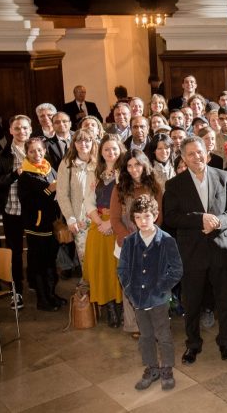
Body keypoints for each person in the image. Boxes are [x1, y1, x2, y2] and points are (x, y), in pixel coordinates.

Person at [163, 136, 227, 365]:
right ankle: (193, 344)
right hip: (192, 252)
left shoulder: (224, 177)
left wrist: (218, 222)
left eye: (199, 152)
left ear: (207, 153)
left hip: (221, 249)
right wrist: (200, 219)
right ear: (183, 158)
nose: (196, 157)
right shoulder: (174, 184)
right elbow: (170, 218)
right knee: (192, 301)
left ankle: (226, 341)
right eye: (191, 154)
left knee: (225, 300)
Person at [118, 195, 183, 391]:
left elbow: (177, 269)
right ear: (133, 219)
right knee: (145, 335)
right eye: (138, 217)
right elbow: (122, 270)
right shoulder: (129, 242)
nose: (142, 221)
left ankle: (167, 369)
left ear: (155, 216)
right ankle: (152, 368)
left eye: (146, 216)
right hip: (138, 299)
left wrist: (162, 288)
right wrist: (130, 290)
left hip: (159, 299)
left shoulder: (166, 241)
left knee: (163, 334)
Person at [111, 149, 164, 338]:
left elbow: (159, 217)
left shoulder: (155, 187)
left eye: (137, 164)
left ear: (144, 165)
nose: (134, 169)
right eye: (130, 165)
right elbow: (115, 219)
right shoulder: (119, 188)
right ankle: (134, 325)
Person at [83, 134, 126, 326]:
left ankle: (121, 306)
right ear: (101, 152)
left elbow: (128, 200)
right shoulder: (94, 172)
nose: (111, 152)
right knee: (102, 269)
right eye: (106, 149)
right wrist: (100, 222)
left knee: (118, 267)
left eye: (114, 148)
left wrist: (112, 222)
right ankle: (110, 308)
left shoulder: (126, 171)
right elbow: (88, 201)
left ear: (120, 150)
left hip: (120, 224)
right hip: (98, 226)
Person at [18, 137, 62, 311]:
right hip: (36, 226)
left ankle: (51, 294)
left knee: (50, 261)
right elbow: (28, 202)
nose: (36, 154)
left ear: (44, 150)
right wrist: (49, 190)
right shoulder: (25, 175)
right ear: (26, 153)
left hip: (51, 223)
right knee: (39, 263)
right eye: (32, 151)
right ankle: (42, 299)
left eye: (39, 150)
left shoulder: (49, 168)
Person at [0, 115, 33, 309]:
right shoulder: (3, 155)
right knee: (15, 252)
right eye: (17, 128)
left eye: (25, 128)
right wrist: (14, 174)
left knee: (36, 250)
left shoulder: (37, 150)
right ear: (11, 130)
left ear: (30, 129)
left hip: (33, 211)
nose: (22, 131)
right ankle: (17, 290)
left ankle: (39, 286)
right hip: (12, 210)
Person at [56, 129, 98, 280]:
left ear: (93, 142)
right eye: (79, 140)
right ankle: (89, 288)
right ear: (73, 143)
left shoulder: (100, 162)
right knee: (85, 258)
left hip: (101, 217)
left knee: (102, 257)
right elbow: (62, 194)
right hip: (80, 220)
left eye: (87, 140)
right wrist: (70, 217)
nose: (83, 144)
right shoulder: (67, 164)